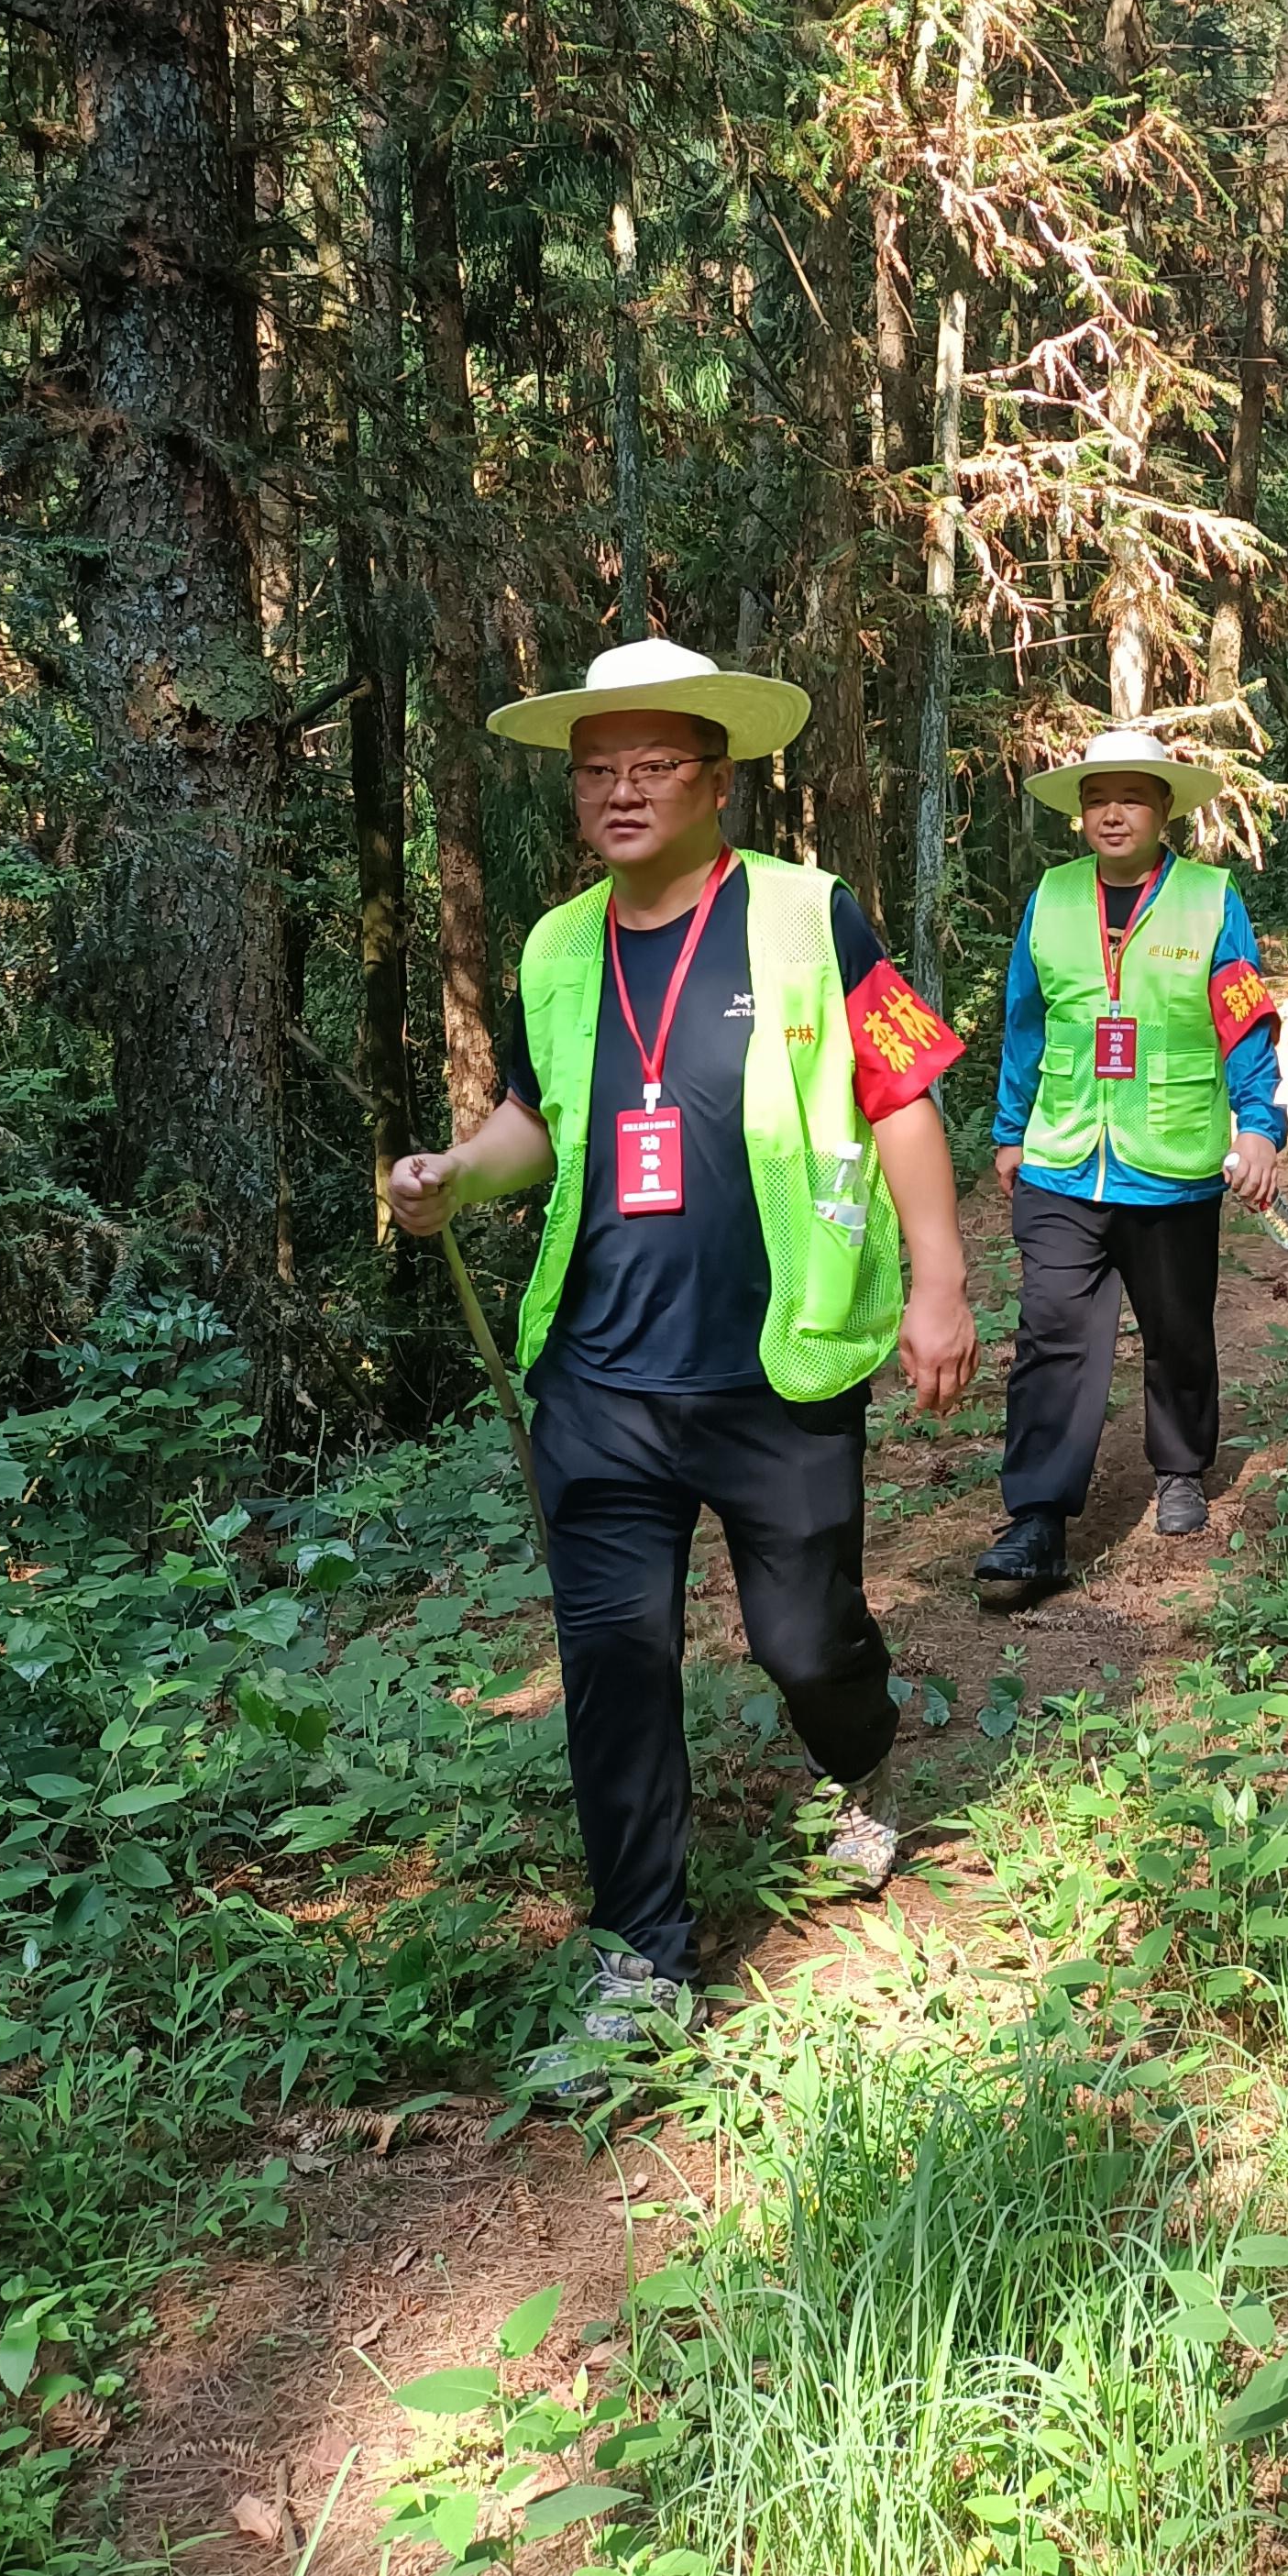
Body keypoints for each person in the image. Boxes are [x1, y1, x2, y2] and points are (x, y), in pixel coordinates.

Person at [389, 635, 978, 2065]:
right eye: (601, 771)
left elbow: (900, 1095)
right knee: (615, 1659)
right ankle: (644, 1951)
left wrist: (941, 1283)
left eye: (655, 765)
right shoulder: (549, 949)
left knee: (804, 1640)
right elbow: (541, 1128)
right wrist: (456, 1177)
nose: (624, 790)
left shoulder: (809, 914)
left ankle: (860, 1752)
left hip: (776, 1367)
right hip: (597, 1374)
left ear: (716, 780)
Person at [974, 726, 1286, 1607]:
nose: (1114, 813)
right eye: (1098, 798)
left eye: (1133, 798)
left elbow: (1243, 1018)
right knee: (1052, 1337)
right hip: (1063, 1154)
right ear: (1081, 816)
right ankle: (1036, 1518)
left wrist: (1258, 1126)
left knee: (1177, 1324)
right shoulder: (1052, 897)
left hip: (1172, 1156)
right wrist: (1009, 1129)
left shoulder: (1210, 899)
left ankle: (1182, 1466)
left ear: (1163, 813)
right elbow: (1026, 1019)